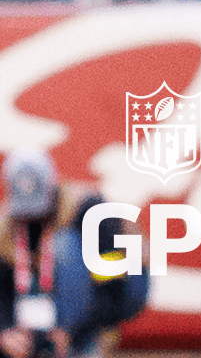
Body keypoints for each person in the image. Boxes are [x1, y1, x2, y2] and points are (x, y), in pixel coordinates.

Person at [1, 148, 149, 358]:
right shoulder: (9, 223)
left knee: (65, 246)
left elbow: (113, 290)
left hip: (112, 294)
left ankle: (86, 343)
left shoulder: (94, 215)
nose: (33, 216)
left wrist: (72, 332)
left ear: (53, 187)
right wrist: (5, 330)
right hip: (51, 309)